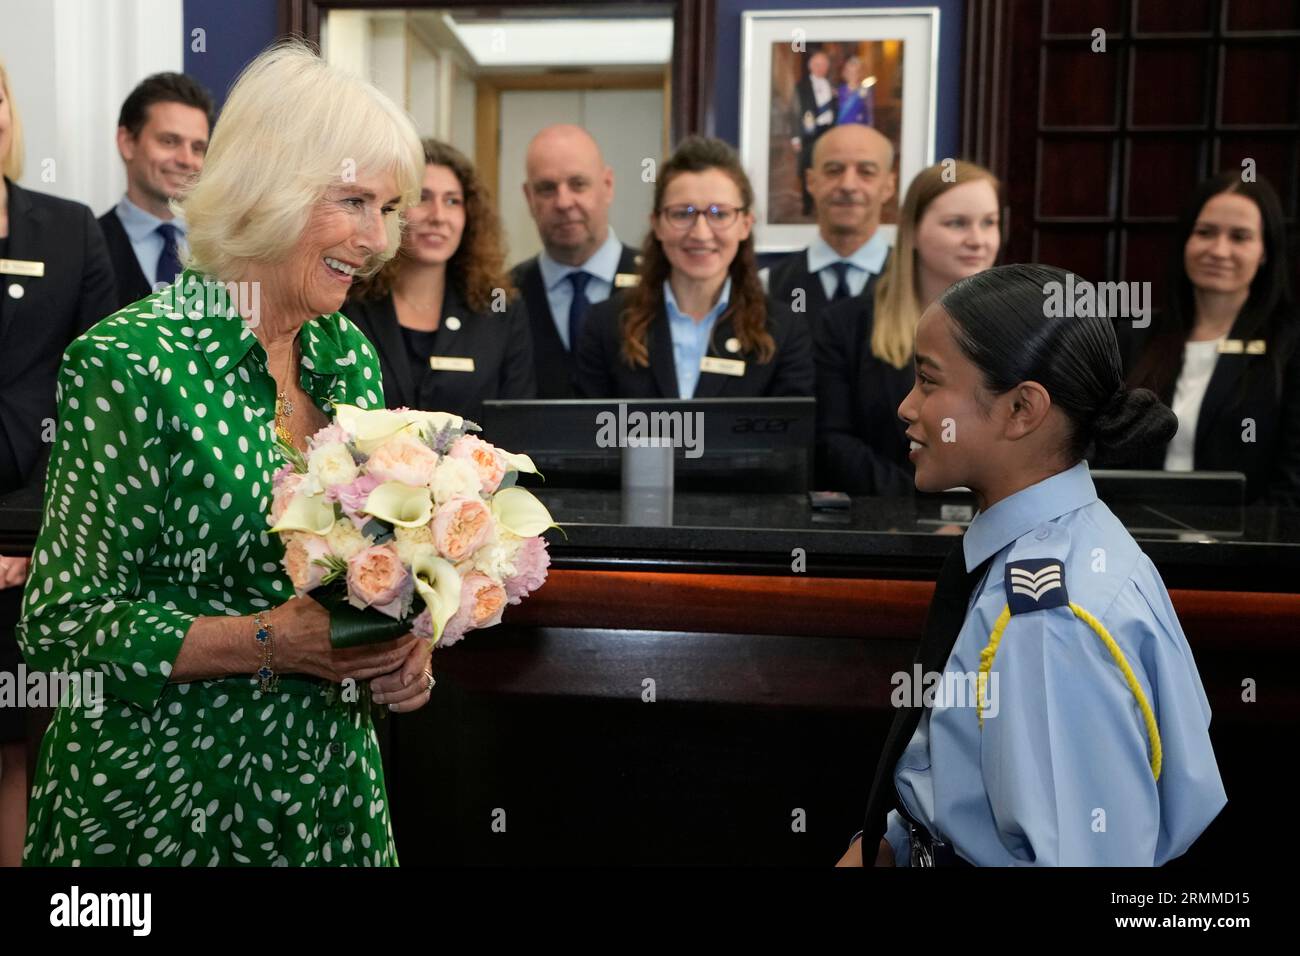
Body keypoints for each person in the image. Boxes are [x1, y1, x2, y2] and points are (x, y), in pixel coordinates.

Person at [17, 42, 430, 867]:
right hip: (162, 800)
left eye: (388, 209)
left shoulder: (345, 354)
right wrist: (271, 640)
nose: (377, 239)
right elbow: (63, 626)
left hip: (324, 791)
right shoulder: (132, 362)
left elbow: (369, 571)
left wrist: (403, 644)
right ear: (270, 187)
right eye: (354, 201)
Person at [838, 263, 1226, 866]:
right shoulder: (1046, 546)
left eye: (928, 382)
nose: (907, 407)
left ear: (1022, 408)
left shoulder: (1048, 624)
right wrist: (889, 844)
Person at [0, 55, 116, 867]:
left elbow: (100, 403)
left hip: (39, 535)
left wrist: (40, 537)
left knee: (17, 748)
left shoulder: (70, 227)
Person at [575, 136, 813, 399]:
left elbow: (789, 436)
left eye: (719, 214)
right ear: (657, 224)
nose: (700, 233)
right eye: (682, 214)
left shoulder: (783, 330)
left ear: (745, 224)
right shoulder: (606, 325)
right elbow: (592, 434)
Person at [1113, 172, 1299, 504]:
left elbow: (1290, 485)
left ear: (1265, 252)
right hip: (1135, 544)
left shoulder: (1288, 349)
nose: (1218, 250)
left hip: (1248, 549)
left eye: (1240, 237)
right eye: (1205, 232)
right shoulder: (1134, 339)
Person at [816, 160, 1000, 495]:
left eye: (989, 223)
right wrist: (922, 505)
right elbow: (835, 443)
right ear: (912, 231)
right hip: (889, 524)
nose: (978, 240)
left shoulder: (1023, 328)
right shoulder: (846, 325)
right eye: (957, 223)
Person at [345, 139, 535, 421]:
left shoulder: (498, 308)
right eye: (422, 197)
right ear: (390, 209)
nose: (439, 217)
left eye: (452, 201)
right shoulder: (347, 299)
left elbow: (518, 425)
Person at [510, 125, 640, 398]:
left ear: (607, 185)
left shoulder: (660, 284)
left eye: (578, 184)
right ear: (528, 198)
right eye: (547, 188)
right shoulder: (505, 294)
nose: (564, 202)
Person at [98, 72, 214, 310]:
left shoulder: (224, 247)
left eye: (197, 147)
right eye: (169, 141)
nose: (186, 160)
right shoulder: (87, 246)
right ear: (127, 143)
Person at [764, 124, 895, 325]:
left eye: (866, 172)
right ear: (811, 182)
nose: (848, 185)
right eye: (834, 170)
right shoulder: (767, 285)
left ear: (888, 185)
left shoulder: (918, 282)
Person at [791, 50, 839, 216]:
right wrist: (795, 137)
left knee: (827, 168)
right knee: (807, 170)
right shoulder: (800, 86)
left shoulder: (831, 85)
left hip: (828, 132)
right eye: (817, 64)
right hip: (808, 134)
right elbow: (794, 112)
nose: (821, 68)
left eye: (824, 65)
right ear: (810, 66)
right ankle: (807, 205)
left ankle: (824, 204)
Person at [835, 55, 874, 127]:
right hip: (842, 129)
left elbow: (869, 114)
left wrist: (870, 130)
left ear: (860, 73)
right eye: (849, 72)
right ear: (845, 73)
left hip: (860, 129)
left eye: (855, 72)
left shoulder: (866, 90)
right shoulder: (838, 90)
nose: (852, 75)